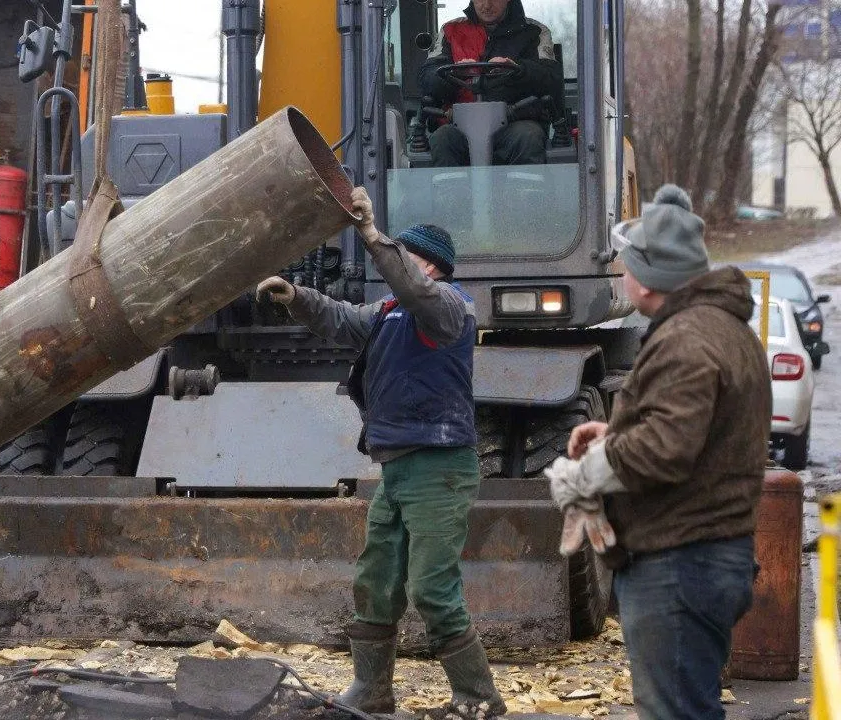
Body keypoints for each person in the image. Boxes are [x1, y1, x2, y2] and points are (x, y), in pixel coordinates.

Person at [257, 188, 505, 718]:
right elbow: (342, 319)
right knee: (376, 582)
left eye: (404, 257)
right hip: (397, 468)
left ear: (428, 267)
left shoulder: (449, 307)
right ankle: (372, 690)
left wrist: (371, 234)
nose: (393, 266)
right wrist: (295, 296)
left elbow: (413, 289)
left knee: (432, 588)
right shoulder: (391, 313)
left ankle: (478, 698)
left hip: (439, 467)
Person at [545, 185, 771, 720]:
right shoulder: (719, 329)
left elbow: (665, 450)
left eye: (628, 264)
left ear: (647, 280)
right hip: (701, 558)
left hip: (679, 565)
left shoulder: (688, 340)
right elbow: (700, 435)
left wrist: (588, 474)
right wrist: (619, 432)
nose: (623, 272)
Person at [418, 0, 563, 167]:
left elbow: (552, 79)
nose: (486, 5)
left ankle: (524, 185)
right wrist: (455, 74)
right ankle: (451, 186)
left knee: (528, 137)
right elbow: (427, 79)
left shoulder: (534, 32)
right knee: (442, 139)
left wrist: (519, 70)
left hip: (515, 121)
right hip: (460, 124)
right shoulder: (451, 31)